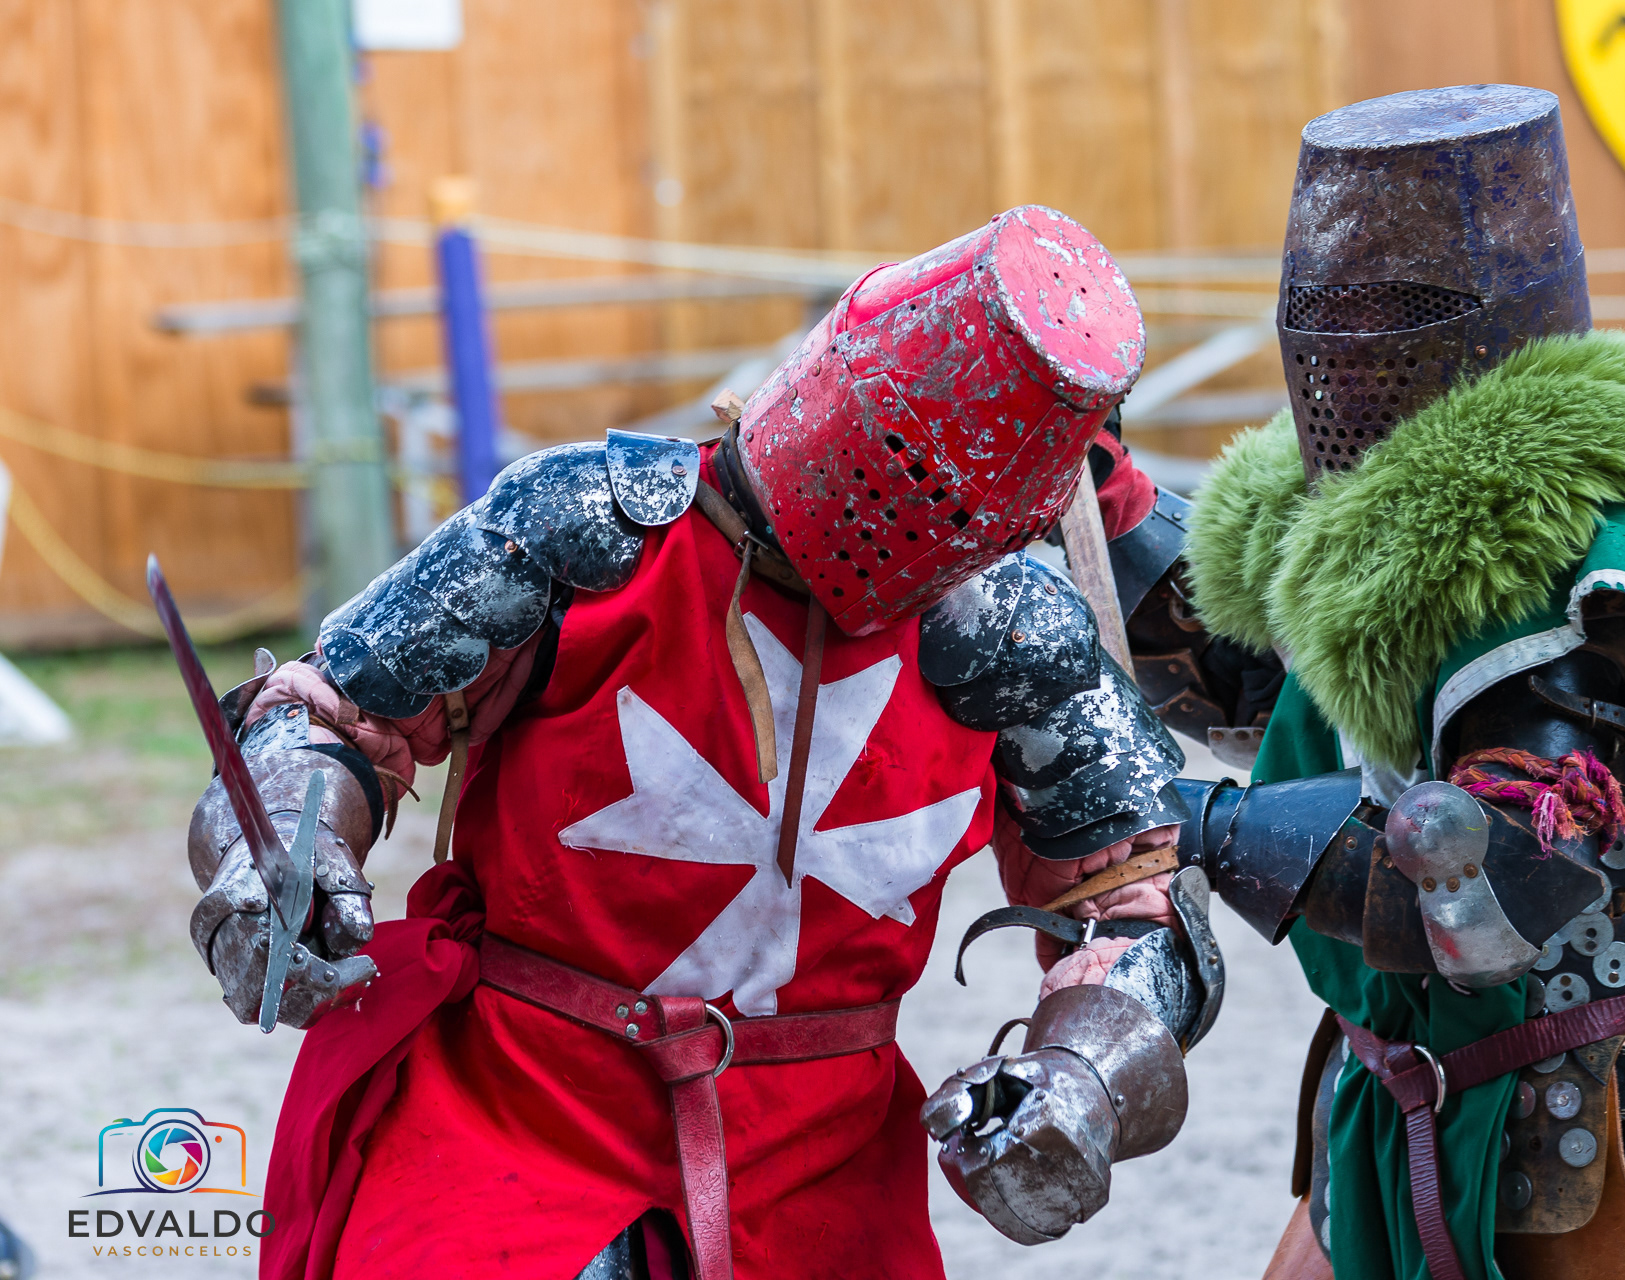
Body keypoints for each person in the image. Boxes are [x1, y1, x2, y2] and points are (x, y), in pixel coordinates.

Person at [184, 207, 1257, 1280]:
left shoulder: (1011, 633)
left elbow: (1139, 897)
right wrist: (283, 838)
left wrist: (1079, 1075)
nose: (896, 497)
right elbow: (327, 712)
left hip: (825, 1160)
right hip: (524, 1113)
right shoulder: (591, 526)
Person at [925, 84, 1625, 1280]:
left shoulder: (1555, 567)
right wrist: (1097, 489)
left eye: (1392, 311)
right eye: (1328, 309)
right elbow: (1266, 686)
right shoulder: (1371, 547)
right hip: (1398, 1107)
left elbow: (1492, 883)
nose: (1347, 343)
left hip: (1571, 1132)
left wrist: (1198, 822)